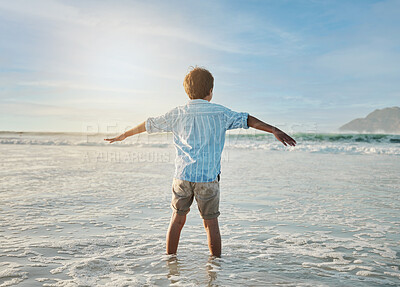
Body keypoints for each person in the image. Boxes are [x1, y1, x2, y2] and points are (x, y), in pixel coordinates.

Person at [105, 67, 296, 257]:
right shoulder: (220, 113)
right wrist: (273, 129)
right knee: (210, 224)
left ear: (187, 91)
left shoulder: (177, 113)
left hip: (182, 177)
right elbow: (247, 120)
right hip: (208, 179)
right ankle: (215, 268)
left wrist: (124, 135)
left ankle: (170, 262)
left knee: (177, 221)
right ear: (210, 91)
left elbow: (148, 124)